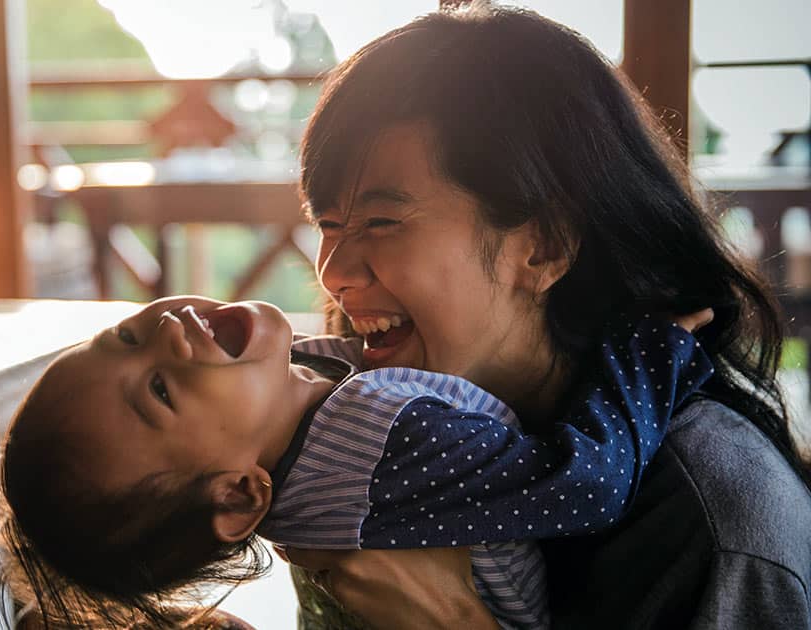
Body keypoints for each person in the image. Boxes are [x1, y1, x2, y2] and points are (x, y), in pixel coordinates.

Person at [282, 4, 811, 629]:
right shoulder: (372, 432)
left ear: (545, 247)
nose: (335, 271)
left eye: (381, 222)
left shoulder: (710, 515)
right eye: (329, 224)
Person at [0, 294, 711, 629]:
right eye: (158, 389)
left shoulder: (290, 410)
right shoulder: (381, 447)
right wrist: (646, 359)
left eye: (125, 335)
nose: (168, 330)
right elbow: (586, 482)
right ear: (241, 497)